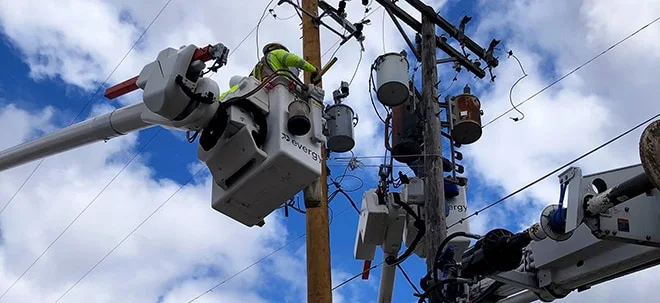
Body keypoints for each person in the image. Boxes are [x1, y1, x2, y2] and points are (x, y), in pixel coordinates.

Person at [250, 42, 319, 81]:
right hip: (278, 88)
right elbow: (296, 60)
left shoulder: (258, 66)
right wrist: (313, 70)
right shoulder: (277, 52)